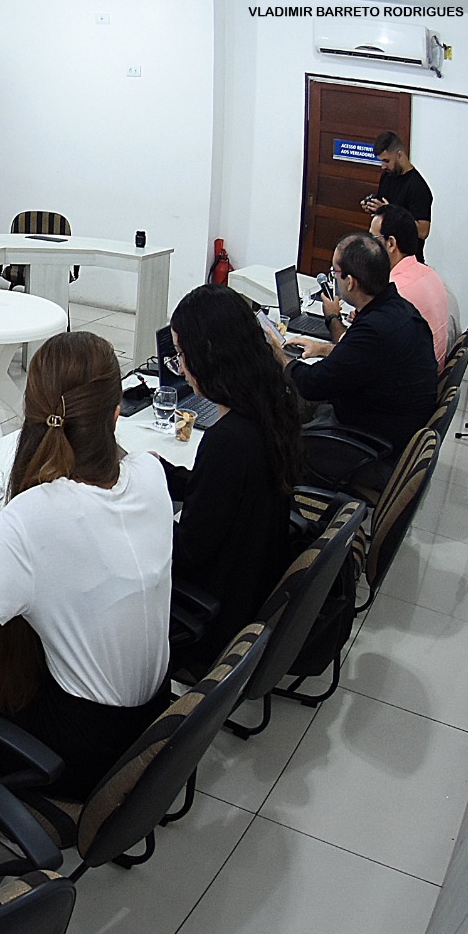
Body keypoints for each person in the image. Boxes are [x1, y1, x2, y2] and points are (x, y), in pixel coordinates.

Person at [0, 331, 174, 801]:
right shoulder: (150, 473)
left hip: (85, 750)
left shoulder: (33, 516)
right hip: (153, 723)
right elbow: (82, 565)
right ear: (116, 412)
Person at [161, 285, 304, 674]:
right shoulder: (273, 400)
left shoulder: (229, 440)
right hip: (252, 576)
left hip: (213, 616)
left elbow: (189, 552)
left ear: (208, 354)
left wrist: (140, 512)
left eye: (181, 355)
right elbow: (225, 495)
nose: (182, 367)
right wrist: (166, 477)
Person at [283, 231, 437, 484]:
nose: (334, 279)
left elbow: (313, 385)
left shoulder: (375, 329)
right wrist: (322, 350)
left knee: (277, 446)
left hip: (369, 452)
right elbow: (360, 359)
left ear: (350, 282)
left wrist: (280, 356)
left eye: (335, 273)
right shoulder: (398, 309)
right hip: (387, 432)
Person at [337, 204, 449, 373]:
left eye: (373, 239)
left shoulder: (395, 290)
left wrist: (332, 317)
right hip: (427, 374)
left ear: (391, 243)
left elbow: (346, 348)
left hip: (406, 382)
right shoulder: (428, 273)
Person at [362, 131, 432, 263]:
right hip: (384, 255)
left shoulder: (418, 187)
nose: (383, 166)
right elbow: (384, 208)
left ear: (399, 155)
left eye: (386, 161)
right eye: (381, 161)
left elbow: (423, 231)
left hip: (407, 259)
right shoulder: (387, 176)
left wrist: (389, 211)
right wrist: (373, 207)